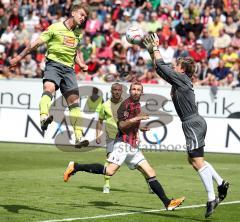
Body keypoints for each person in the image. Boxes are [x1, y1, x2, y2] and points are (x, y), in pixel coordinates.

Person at [143, 33, 229, 218]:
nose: (174, 67)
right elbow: (161, 69)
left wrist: (156, 48)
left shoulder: (181, 79)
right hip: (192, 123)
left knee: (197, 161)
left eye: (177, 66)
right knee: (193, 161)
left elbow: (164, 68)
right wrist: (152, 52)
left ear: (182, 70)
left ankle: (211, 197)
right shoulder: (180, 79)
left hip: (192, 123)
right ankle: (221, 183)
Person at [64, 82, 185, 210]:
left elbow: (131, 123)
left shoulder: (136, 105)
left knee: (150, 172)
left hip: (133, 146)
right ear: (130, 91)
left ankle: (167, 203)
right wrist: (136, 119)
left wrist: (139, 127)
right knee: (109, 171)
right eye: (133, 89)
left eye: (138, 89)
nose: (136, 91)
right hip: (123, 143)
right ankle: (76, 166)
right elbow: (121, 125)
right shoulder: (125, 105)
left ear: (141, 92)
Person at [9, 3, 90, 148]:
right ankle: (43, 117)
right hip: (54, 64)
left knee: (74, 101)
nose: (83, 18)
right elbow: (35, 44)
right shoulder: (55, 27)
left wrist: (81, 64)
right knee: (49, 88)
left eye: (85, 17)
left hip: (69, 70)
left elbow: (75, 52)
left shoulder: (78, 33)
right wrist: (19, 58)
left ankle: (78, 136)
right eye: (81, 14)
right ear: (73, 13)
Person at [96, 83, 153, 194]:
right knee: (109, 161)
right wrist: (98, 135)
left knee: (140, 166)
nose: (117, 92)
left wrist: (139, 131)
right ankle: (106, 184)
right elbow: (100, 121)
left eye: (119, 90)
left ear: (122, 91)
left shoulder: (127, 104)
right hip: (112, 136)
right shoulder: (105, 105)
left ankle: (150, 183)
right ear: (111, 91)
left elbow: (132, 122)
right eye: (114, 90)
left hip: (127, 137)